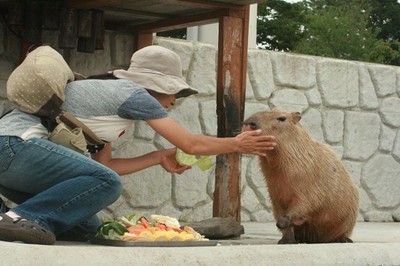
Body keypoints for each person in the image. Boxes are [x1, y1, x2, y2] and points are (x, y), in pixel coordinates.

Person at [0, 45, 276, 245]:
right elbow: (190, 144)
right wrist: (236, 144)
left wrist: (158, 157)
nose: (174, 101)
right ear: (159, 85)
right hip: (14, 145)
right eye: (174, 93)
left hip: (11, 159)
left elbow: (104, 167)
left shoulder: (108, 107)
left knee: (86, 227)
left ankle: (7, 214)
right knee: (108, 185)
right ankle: (16, 218)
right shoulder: (134, 95)